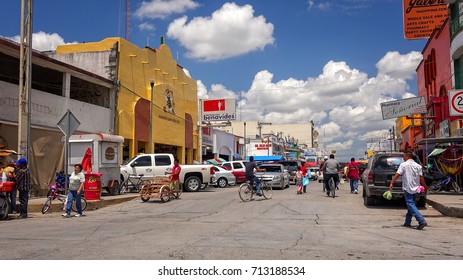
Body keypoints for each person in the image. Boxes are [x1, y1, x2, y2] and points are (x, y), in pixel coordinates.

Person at [389, 151, 429, 230]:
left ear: (407, 156)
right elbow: (421, 178)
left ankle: (421, 220)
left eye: (404, 156)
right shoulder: (418, 166)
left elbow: (397, 174)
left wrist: (391, 183)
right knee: (411, 204)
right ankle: (407, 222)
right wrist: (425, 186)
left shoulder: (403, 165)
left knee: (410, 204)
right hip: (416, 188)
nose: (403, 158)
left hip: (408, 188)